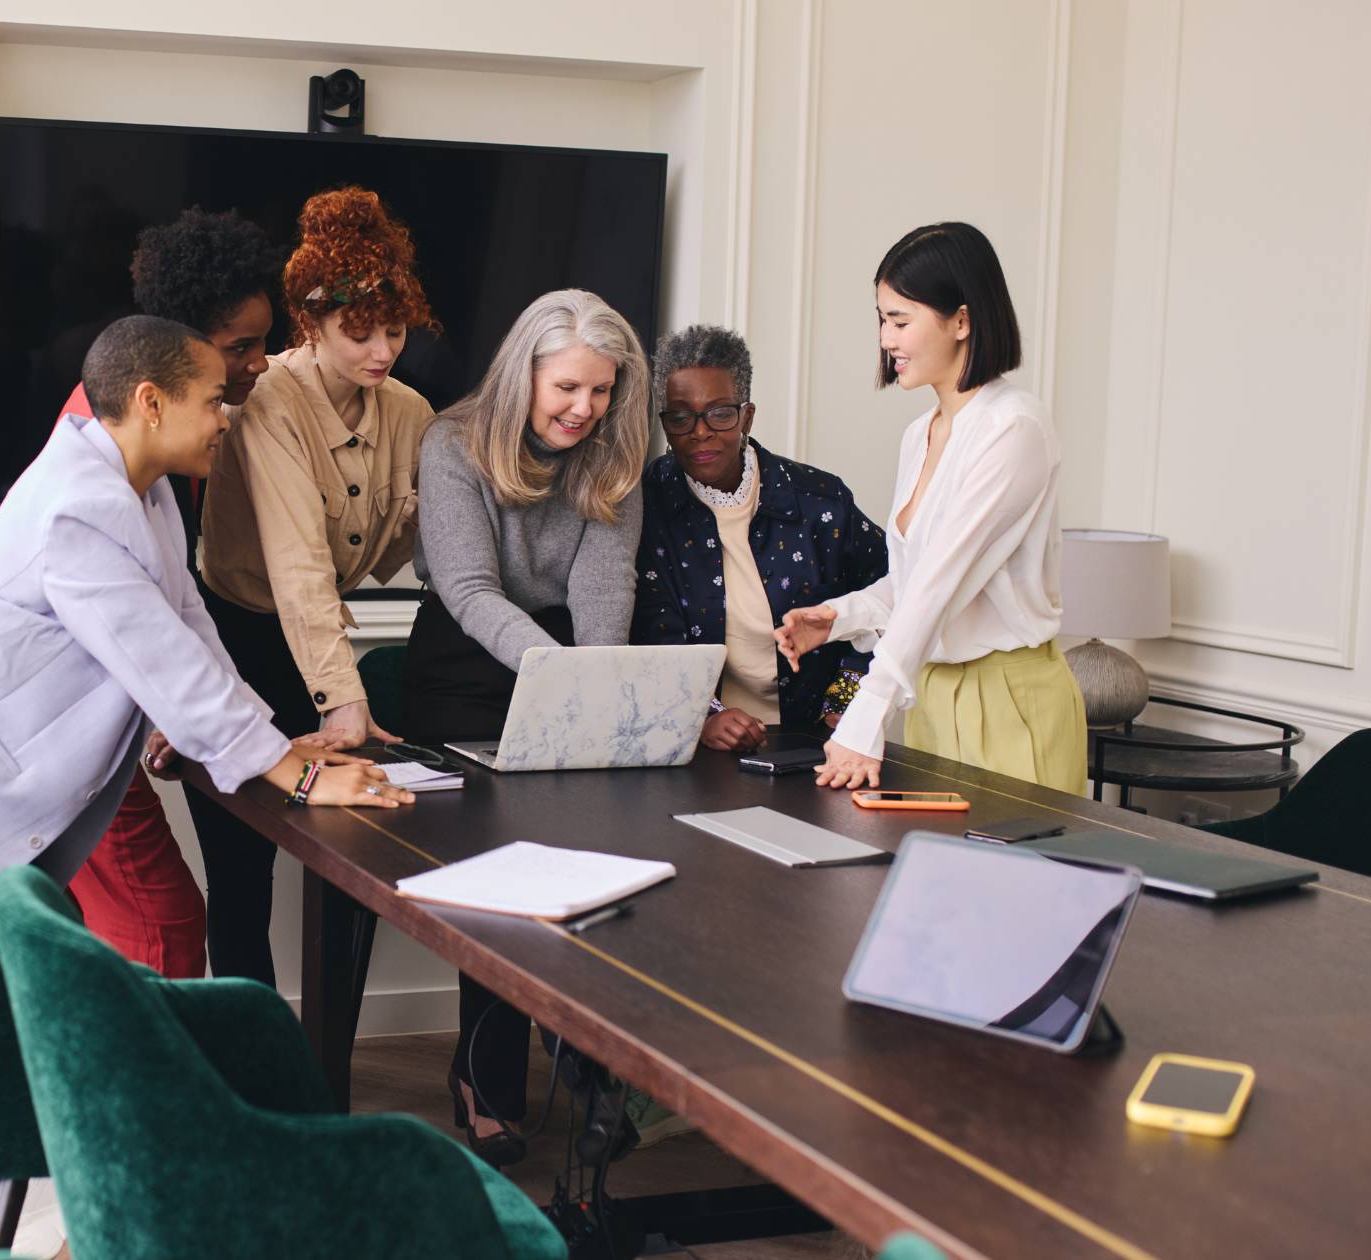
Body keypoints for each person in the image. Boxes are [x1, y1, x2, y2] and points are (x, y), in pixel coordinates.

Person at [0, 316, 413, 1260]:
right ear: (151, 403)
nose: (228, 415)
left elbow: (192, 640)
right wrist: (294, 769)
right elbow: (161, 663)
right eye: (213, 399)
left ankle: (15, 1170)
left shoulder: (146, 496)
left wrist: (279, 742)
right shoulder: (79, 503)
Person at [402, 289, 651, 1165]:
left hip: (568, 660)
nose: (586, 409)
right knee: (502, 878)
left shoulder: (617, 444)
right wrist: (561, 681)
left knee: (595, 859)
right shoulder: (451, 443)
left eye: (603, 391)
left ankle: (591, 1073)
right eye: (568, 389)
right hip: (464, 669)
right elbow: (469, 590)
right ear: (525, 375)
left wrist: (590, 690)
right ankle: (486, 1082)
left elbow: (602, 582)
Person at [187, 186, 440, 986]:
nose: (382, 351)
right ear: (312, 323)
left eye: (395, 331)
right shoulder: (268, 402)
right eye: (358, 333)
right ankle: (251, 1067)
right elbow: (298, 565)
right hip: (237, 639)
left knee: (352, 864)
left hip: (319, 639)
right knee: (242, 873)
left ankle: (323, 1069)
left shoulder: (410, 409)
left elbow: (404, 552)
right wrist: (344, 699)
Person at [774, 221, 1087, 792]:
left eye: (900, 320)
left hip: (1006, 699)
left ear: (962, 321)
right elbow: (914, 580)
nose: (886, 339)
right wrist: (838, 618)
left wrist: (864, 717)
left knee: (1011, 880)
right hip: (930, 695)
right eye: (881, 319)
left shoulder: (1013, 428)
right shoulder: (920, 433)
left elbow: (941, 585)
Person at [65, 208, 281, 982]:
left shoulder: (145, 462)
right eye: (237, 353)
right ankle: (154, 1105)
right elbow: (141, 631)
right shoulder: (89, 488)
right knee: (162, 921)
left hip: (87, 729)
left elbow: (178, 606)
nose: (260, 366)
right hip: (56, 734)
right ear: (166, 379)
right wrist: (296, 768)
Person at [632, 324, 889, 748]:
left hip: (816, 739)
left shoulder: (820, 501)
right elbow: (649, 638)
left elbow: (890, 591)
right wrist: (704, 716)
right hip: (694, 743)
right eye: (680, 417)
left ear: (747, 416)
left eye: (720, 413)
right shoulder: (645, 508)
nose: (700, 432)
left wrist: (846, 698)